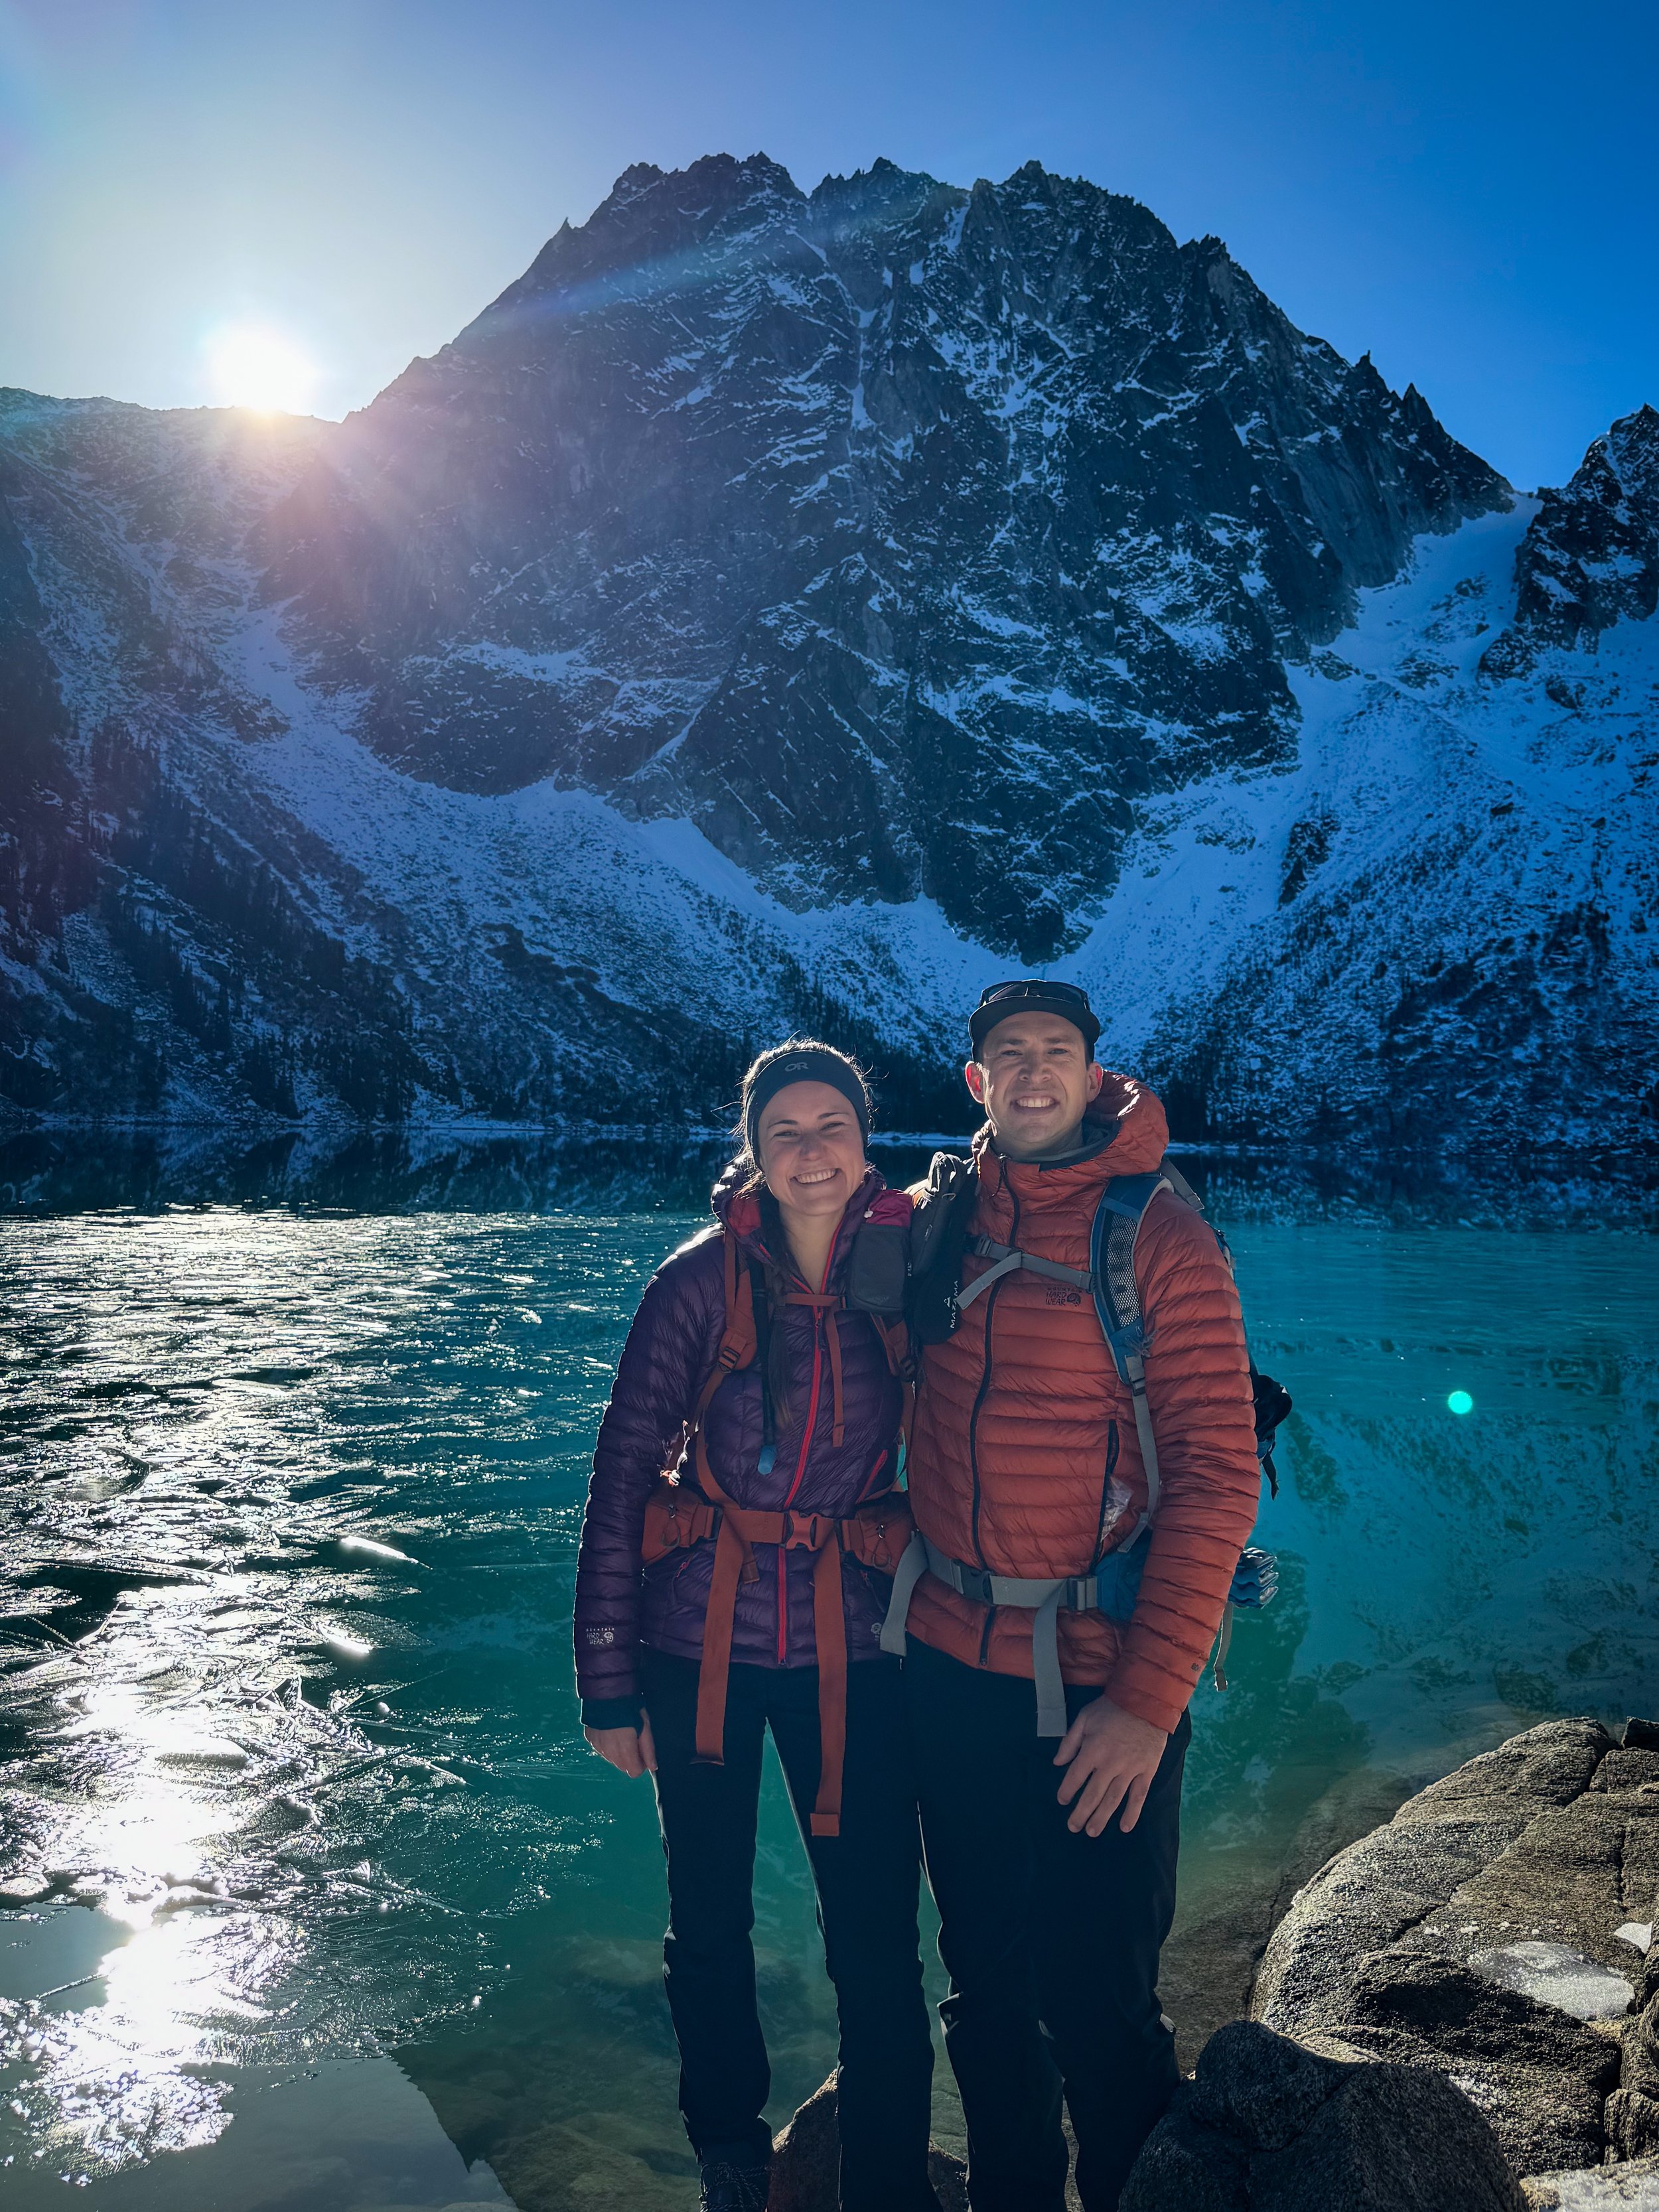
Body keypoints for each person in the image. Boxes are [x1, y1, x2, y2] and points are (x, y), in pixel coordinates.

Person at [885, 981, 1262, 2211]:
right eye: (1010, 1053)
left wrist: (1150, 1702)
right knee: (985, 1992)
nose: (1034, 1072)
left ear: (1096, 1073)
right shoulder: (946, 1213)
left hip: (1102, 1676)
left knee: (1099, 2002)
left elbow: (1216, 1474)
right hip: (947, 1663)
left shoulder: (1158, 1233)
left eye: (1058, 1052)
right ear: (975, 1077)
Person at [573, 1041, 936, 2212]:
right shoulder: (696, 1282)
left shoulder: (914, 1272)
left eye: (832, 1124)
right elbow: (624, 1470)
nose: (811, 1148)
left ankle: (884, 2175)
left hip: (860, 1645)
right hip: (699, 1646)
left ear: (865, 1140)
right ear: (754, 1150)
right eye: (785, 1130)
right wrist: (609, 1679)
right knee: (710, 1920)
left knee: (876, 1927)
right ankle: (730, 2153)